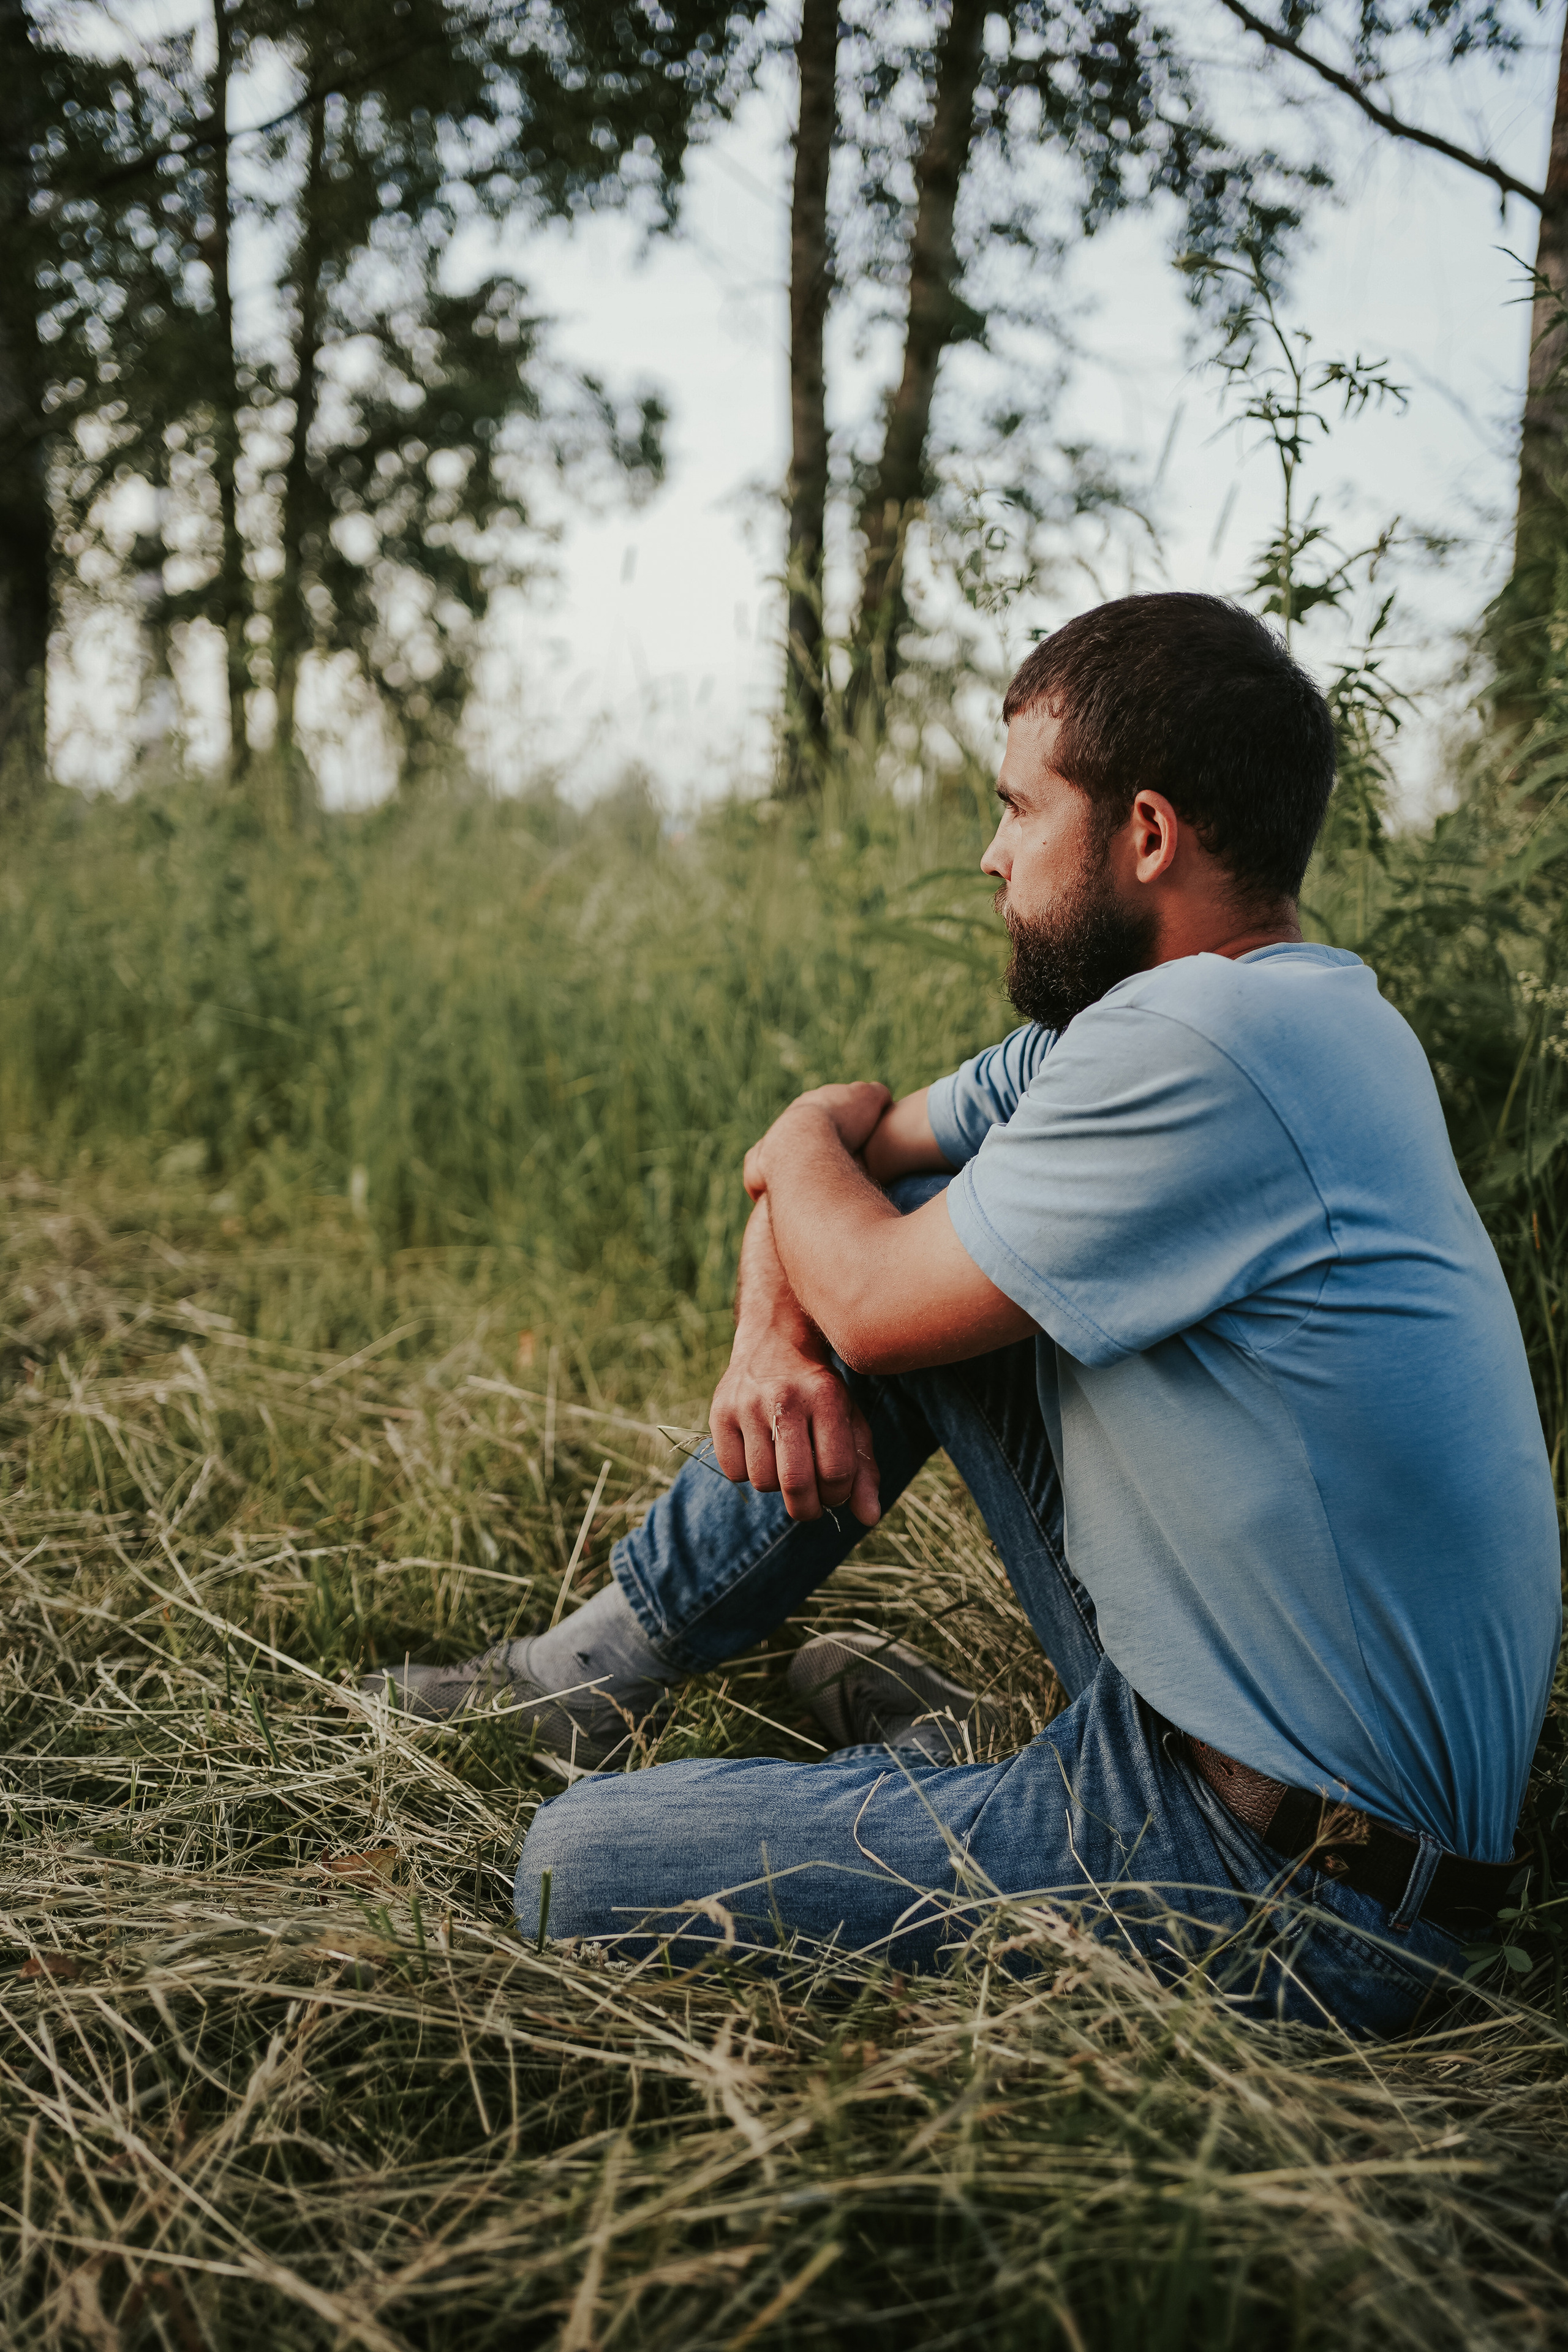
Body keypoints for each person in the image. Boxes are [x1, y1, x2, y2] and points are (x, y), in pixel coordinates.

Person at [364, 593, 1561, 2035]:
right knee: (924, 1230)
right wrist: (768, 1337)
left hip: (1289, 1896)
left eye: (1017, 808)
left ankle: (937, 1780)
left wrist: (805, 1221)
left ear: (1144, 835)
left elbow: (852, 1257)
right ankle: (587, 1678)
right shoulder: (1277, 1011)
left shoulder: (1201, 1048)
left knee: (576, 1869)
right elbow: (852, 1157)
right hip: (1229, 1752)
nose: (990, 854)